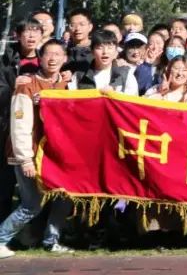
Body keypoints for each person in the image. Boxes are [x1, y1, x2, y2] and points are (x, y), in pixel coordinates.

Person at [0, 39, 72, 258]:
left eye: (57, 54)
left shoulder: (67, 85)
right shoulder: (26, 85)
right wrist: (25, 159)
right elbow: (19, 125)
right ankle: (1, 238)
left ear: (64, 58)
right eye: (48, 54)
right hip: (29, 153)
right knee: (32, 203)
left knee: (64, 196)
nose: (52, 58)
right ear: (40, 58)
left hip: (55, 155)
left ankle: (52, 240)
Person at [68, 30, 138, 94]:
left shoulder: (126, 75)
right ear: (92, 51)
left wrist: (113, 94)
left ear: (116, 51)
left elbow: (132, 100)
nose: (105, 52)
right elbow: (72, 100)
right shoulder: (80, 75)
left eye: (110, 48)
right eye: (99, 48)